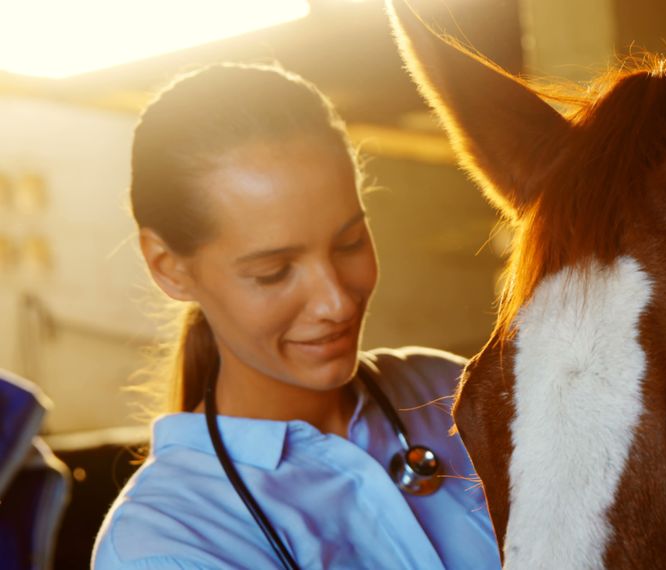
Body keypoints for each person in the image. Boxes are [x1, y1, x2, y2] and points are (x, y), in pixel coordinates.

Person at [92, 63, 500, 569]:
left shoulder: (452, 392)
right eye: (273, 271)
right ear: (169, 268)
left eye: (350, 242)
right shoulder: (165, 545)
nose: (337, 301)